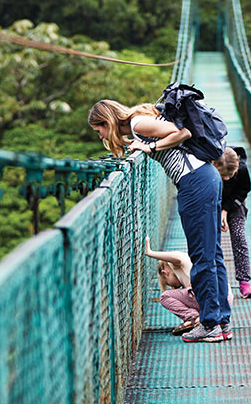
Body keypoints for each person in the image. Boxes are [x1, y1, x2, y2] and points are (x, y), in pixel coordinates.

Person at [88, 99, 232, 343]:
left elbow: (182, 132)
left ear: (107, 121)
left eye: (98, 129)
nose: (100, 134)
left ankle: (210, 324)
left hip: (195, 182)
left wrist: (150, 148)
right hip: (203, 179)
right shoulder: (139, 124)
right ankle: (220, 321)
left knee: (203, 257)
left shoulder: (137, 123)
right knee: (211, 254)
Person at [144, 236, 233, 336]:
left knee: (165, 296)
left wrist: (150, 253)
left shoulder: (177, 262)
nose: (174, 287)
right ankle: (213, 319)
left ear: (165, 273)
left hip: (207, 295)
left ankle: (194, 318)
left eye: (168, 283)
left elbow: (178, 259)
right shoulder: (191, 261)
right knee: (190, 291)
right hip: (225, 297)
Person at [212, 147, 251, 299]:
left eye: (231, 175)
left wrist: (225, 210)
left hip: (236, 202)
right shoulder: (208, 168)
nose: (227, 179)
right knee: (211, 239)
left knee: (239, 236)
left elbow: (244, 190)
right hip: (212, 203)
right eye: (223, 175)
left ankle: (244, 282)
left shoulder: (242, 170)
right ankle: (214, 282)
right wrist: (219, 211)